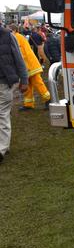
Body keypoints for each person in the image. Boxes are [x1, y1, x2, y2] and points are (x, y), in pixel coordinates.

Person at [0, 26, 29, 163]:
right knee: (3, 114)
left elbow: (19, 59)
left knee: (2, 114)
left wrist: (24, 80)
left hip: (4, 83)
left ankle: (1, 149)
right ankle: (4, 144)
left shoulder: (7, 36)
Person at [8, 24, 51, 110]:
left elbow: (20, 54)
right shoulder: (16, 37)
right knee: (27, 86)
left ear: (14, 30)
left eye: (9, 30)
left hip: (30, 65)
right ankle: (28, 104)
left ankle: (48, 100)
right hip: (26, 66)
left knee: (38, 83)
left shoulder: (17, 38)